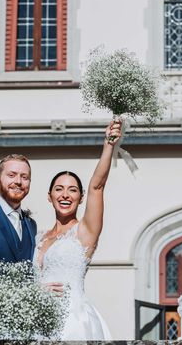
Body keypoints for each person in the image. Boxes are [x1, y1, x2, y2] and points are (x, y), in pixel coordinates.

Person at [34, 120, 121, 340]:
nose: (65, 195)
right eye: (59, 189)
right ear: (49, 196)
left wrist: (108, 145)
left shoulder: (85, 232)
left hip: (72, 320)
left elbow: (97, 186)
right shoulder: (36, 236)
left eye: (72, 190)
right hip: (35, 320)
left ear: (80, 198)